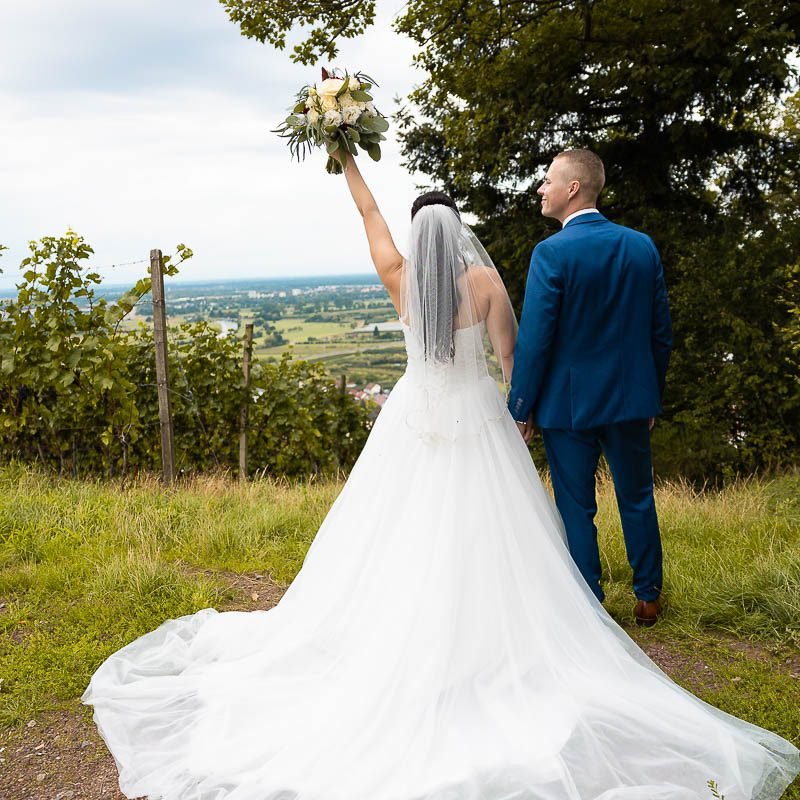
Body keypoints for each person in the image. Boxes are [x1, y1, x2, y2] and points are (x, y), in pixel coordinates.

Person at [83, 153, 799, 800]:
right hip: (491, 413)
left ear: (417, 235)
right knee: (535, 519)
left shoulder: (398, 279)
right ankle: (620, 601)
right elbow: (514, 355)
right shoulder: (488, 280)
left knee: (408, 527)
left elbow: (368, 214)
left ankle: (475, 613)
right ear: (458, 233)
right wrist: (520, 412)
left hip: (415, 419)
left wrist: (343, 155)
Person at [509, 149, 671, 625]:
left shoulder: (551, 253)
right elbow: (660, 333)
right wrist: (650, 395)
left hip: (568, 406)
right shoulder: (641, 247)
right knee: (637, 496)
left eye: (548, 181)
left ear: (573, 188)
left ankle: (591, 603)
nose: (541, 189)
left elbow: (535, 339)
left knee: (576, 507)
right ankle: (648, 596)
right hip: (630, 399)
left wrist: (520, 406)